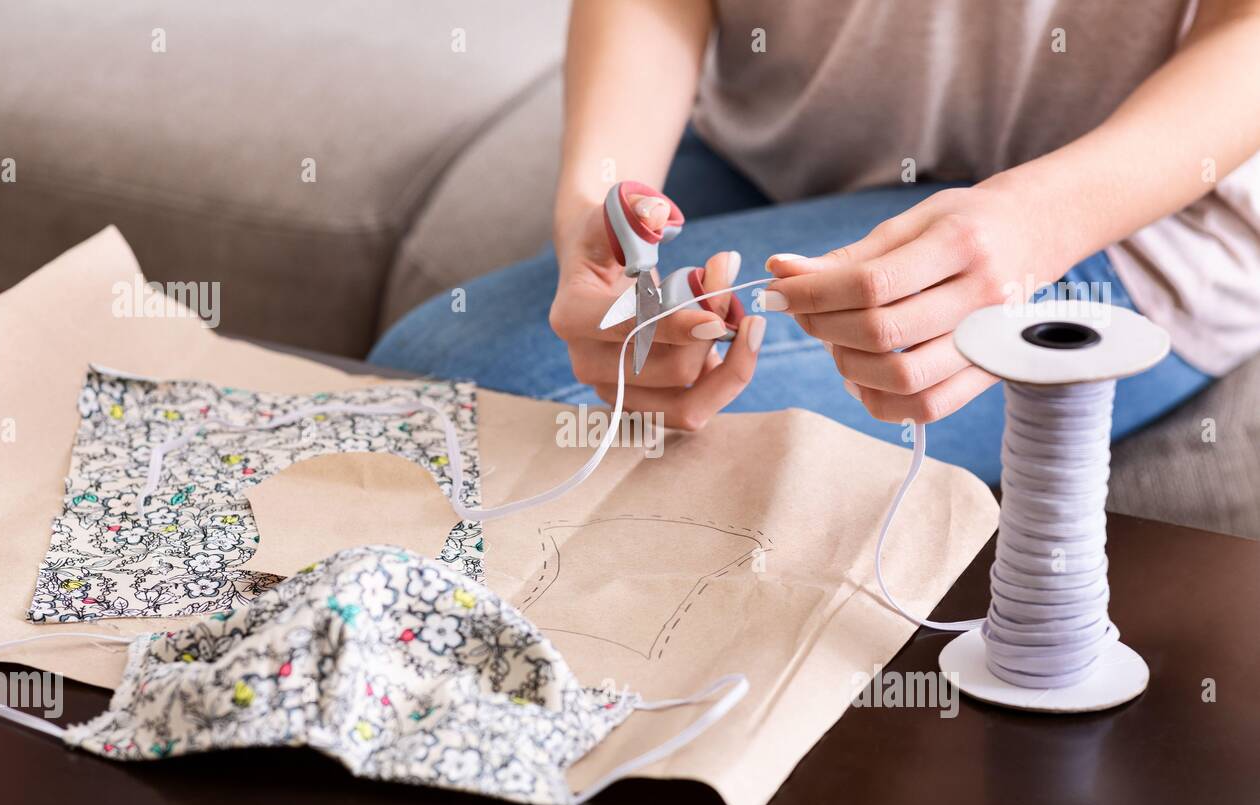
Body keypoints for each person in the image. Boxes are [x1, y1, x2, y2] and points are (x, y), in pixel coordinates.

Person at [370, 0, 1260, 483]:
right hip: (777, 152)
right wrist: (592, 210)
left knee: (472, 400)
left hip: (1131, 214)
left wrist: (1042, 221)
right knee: (424, 391)